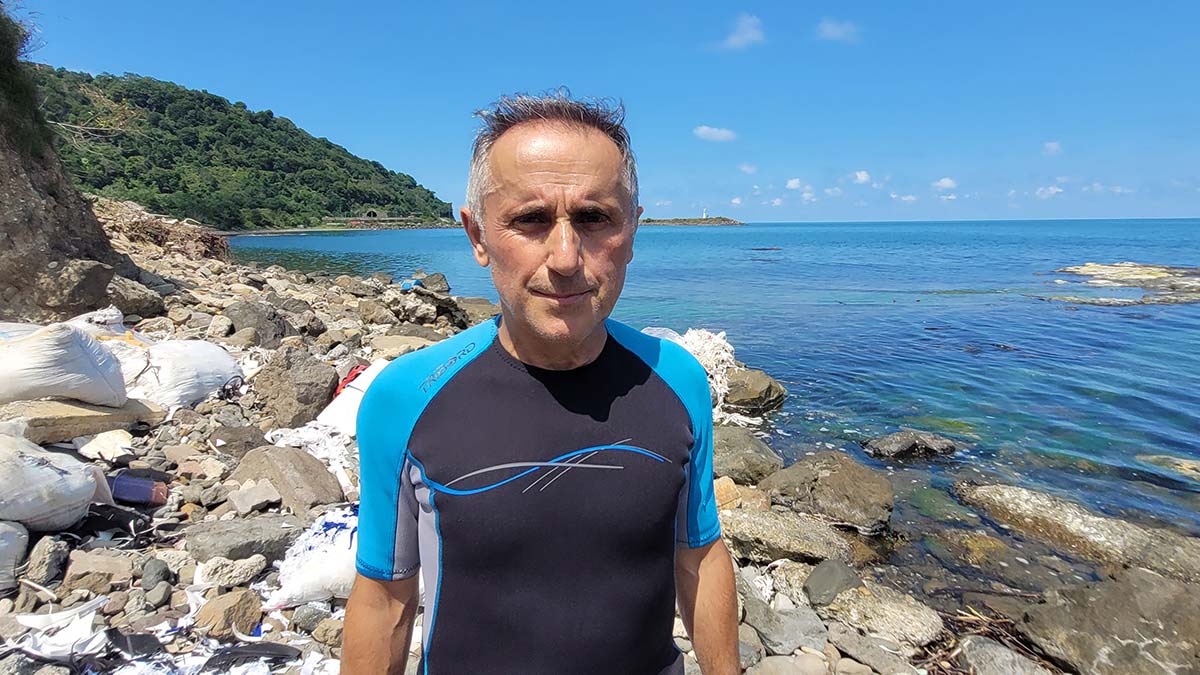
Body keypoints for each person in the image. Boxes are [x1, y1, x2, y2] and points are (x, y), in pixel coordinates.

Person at [342, 92, 738, 675]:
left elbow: (699, 556)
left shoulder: (677, 379)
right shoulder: (405, 397)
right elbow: (384, 596)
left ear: (631, 230)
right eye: (530, 219)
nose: (566, 258)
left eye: (594, 218)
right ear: (477, 236)